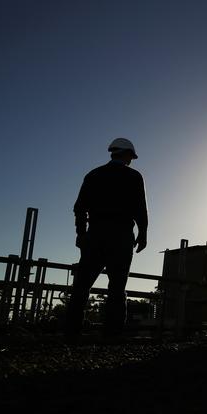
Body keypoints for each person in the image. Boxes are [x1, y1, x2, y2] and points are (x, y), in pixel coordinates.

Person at [66, 138, 148, 339]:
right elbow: (140, 209)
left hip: (95, 235)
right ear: (127, 155)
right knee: (117, 288)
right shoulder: (134, 177)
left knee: (82, 286)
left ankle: (71, 332)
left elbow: (80, 208)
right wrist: (143, 234)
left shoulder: (93, 175)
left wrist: (81, 234)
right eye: (131, 157)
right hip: (121, 238)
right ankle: (112, 334)